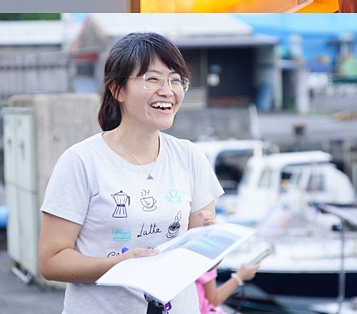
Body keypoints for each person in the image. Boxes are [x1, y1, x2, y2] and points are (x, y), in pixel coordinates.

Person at [37, 32, 224, 314]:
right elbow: (51, 261)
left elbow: (204, 262)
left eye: (176, 80)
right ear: (117, 90)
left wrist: (212, 242)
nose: (167, 90)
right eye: (152, 79)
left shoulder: (189, 157)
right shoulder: (81, 162)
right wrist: (118, 266)